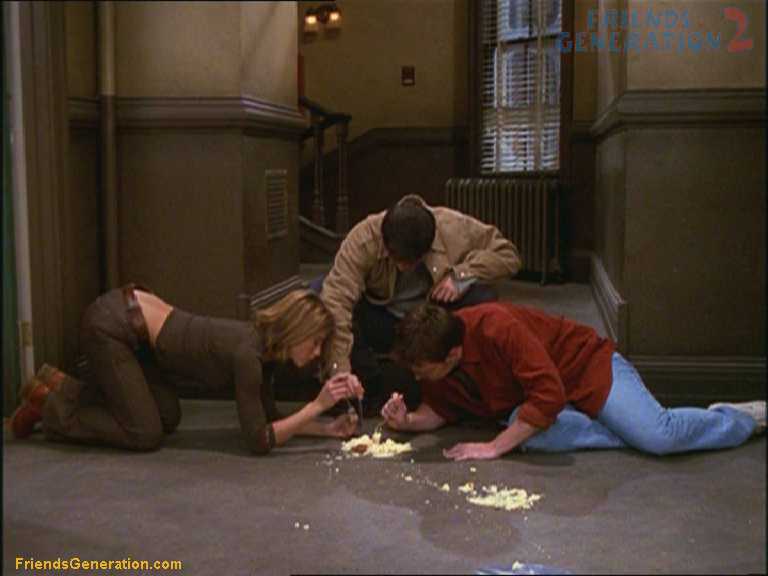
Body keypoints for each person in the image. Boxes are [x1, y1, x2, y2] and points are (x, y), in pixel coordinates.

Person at [381, 302, 765, 461]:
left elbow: (548, 393)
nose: (416, 376)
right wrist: (408, 421)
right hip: (536, 399)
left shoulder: (496, 326)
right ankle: (629, 430)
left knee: (660, 437)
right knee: (530, 435)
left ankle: (740, 419)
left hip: (585, 368)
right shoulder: (435, 355)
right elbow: (441, 408)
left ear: (452, 355)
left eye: (421, 369)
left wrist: (494, 447)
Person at [10, 285, 364, 454]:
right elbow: (259, 439)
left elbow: (271, 420)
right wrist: (317, 406)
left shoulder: (264, 352)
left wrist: (326, 429)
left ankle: (63, 386)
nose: (316, 352)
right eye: (315, 342)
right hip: (112, 325)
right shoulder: (248, 355)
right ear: (296, 331)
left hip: (137, 331)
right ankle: (49, 405)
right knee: (144, 434)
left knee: (167, 415)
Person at [314, 194, 521, 414]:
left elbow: (508, 255)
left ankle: (463, 384)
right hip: (380, 317)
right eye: (396, 258)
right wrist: (339, 368)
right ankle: (368, 388)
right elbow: (337, 299)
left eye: (411, 261)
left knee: (480, 294)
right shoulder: (365, 238)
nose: (402, 268)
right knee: (322, 294)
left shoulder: (452, 227)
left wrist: (461, 276)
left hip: (429, 322)